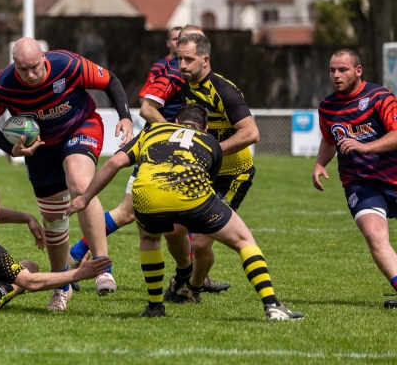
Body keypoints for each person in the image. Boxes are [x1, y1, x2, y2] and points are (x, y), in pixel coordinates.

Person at [67, 104, 303, 320]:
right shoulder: (209, 141)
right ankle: (273, 305)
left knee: (149, 239)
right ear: (206, 127)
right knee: (243, 240)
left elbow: (114, 163)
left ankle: (154, 307)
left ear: (177, 121)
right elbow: (207, 180)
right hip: (193, 197)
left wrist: (86, 197)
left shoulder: (152, 131)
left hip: (148, 197)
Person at [68, 25, 232, 301]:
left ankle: (193, 276)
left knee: (179, 212)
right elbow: (146, 106)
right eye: (177, 40)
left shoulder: (201, 77)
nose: (182, 50)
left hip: (177, 152)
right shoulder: (165, 69)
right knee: (129, 213)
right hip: (160, 150)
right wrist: (175, 135)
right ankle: (75, 256)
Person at [0, 37, 133, 310]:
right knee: (53, 219)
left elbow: (110, 81)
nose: (30, 74)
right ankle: (62, 285)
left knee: (80, 183)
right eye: (23, 69)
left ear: (44, 58)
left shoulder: (67, 64)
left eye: (35, 66)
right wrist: (12, 150)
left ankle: (101, 266)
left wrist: (125, 115)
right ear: (15, 65)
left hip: (80, 127)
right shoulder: (3, 84)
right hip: (40, 149)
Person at [175, 30, 260, 300]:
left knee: (199, 241)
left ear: (205, 60)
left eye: (188, 60)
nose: (182, 66)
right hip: (203, 174)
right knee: (174, 231)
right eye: (179, 59)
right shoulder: (186, 89)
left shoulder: (225, 91)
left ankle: (193, 288)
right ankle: (186, 279)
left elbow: (251, 133)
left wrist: (212, 151)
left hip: (233, 175)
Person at [312, 49, 397, 310]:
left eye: (343, 69)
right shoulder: (327, 106)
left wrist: (366, 147)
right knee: (374, 234)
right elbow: (330, 138)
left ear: (358, 71)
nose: (336, 75)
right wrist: (319, 163)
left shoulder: (379, 97)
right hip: (359, 182)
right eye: (332, 70)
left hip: (393, 176)